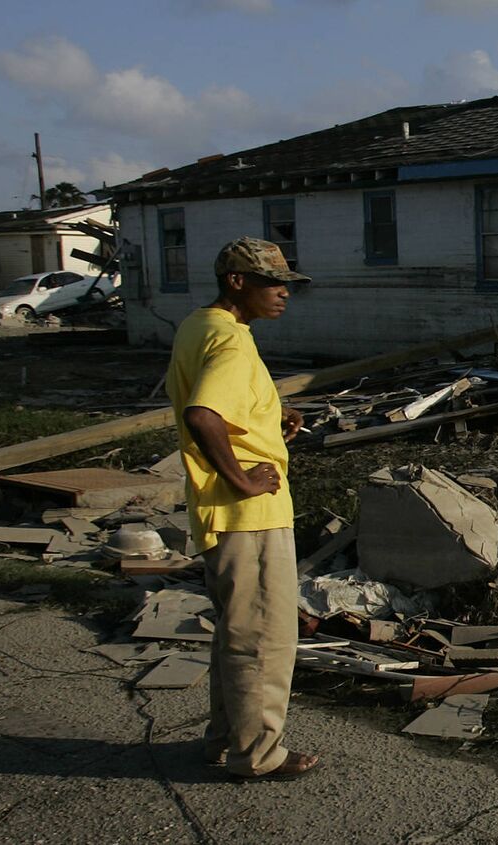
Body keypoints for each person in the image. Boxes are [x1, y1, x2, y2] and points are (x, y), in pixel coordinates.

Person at [166, 236, 322, 781]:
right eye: (271, 284)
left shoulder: (201, 326)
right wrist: (243, 479)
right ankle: (258, 755)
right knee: (264, 637)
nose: (283, 294)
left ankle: (225, 738)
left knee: (237, 631)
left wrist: (268, 415)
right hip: (247, 515)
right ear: (237, 282)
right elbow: (203, 413)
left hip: (218, 511)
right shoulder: (230, 342)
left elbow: (222, 406)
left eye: (288, 285)